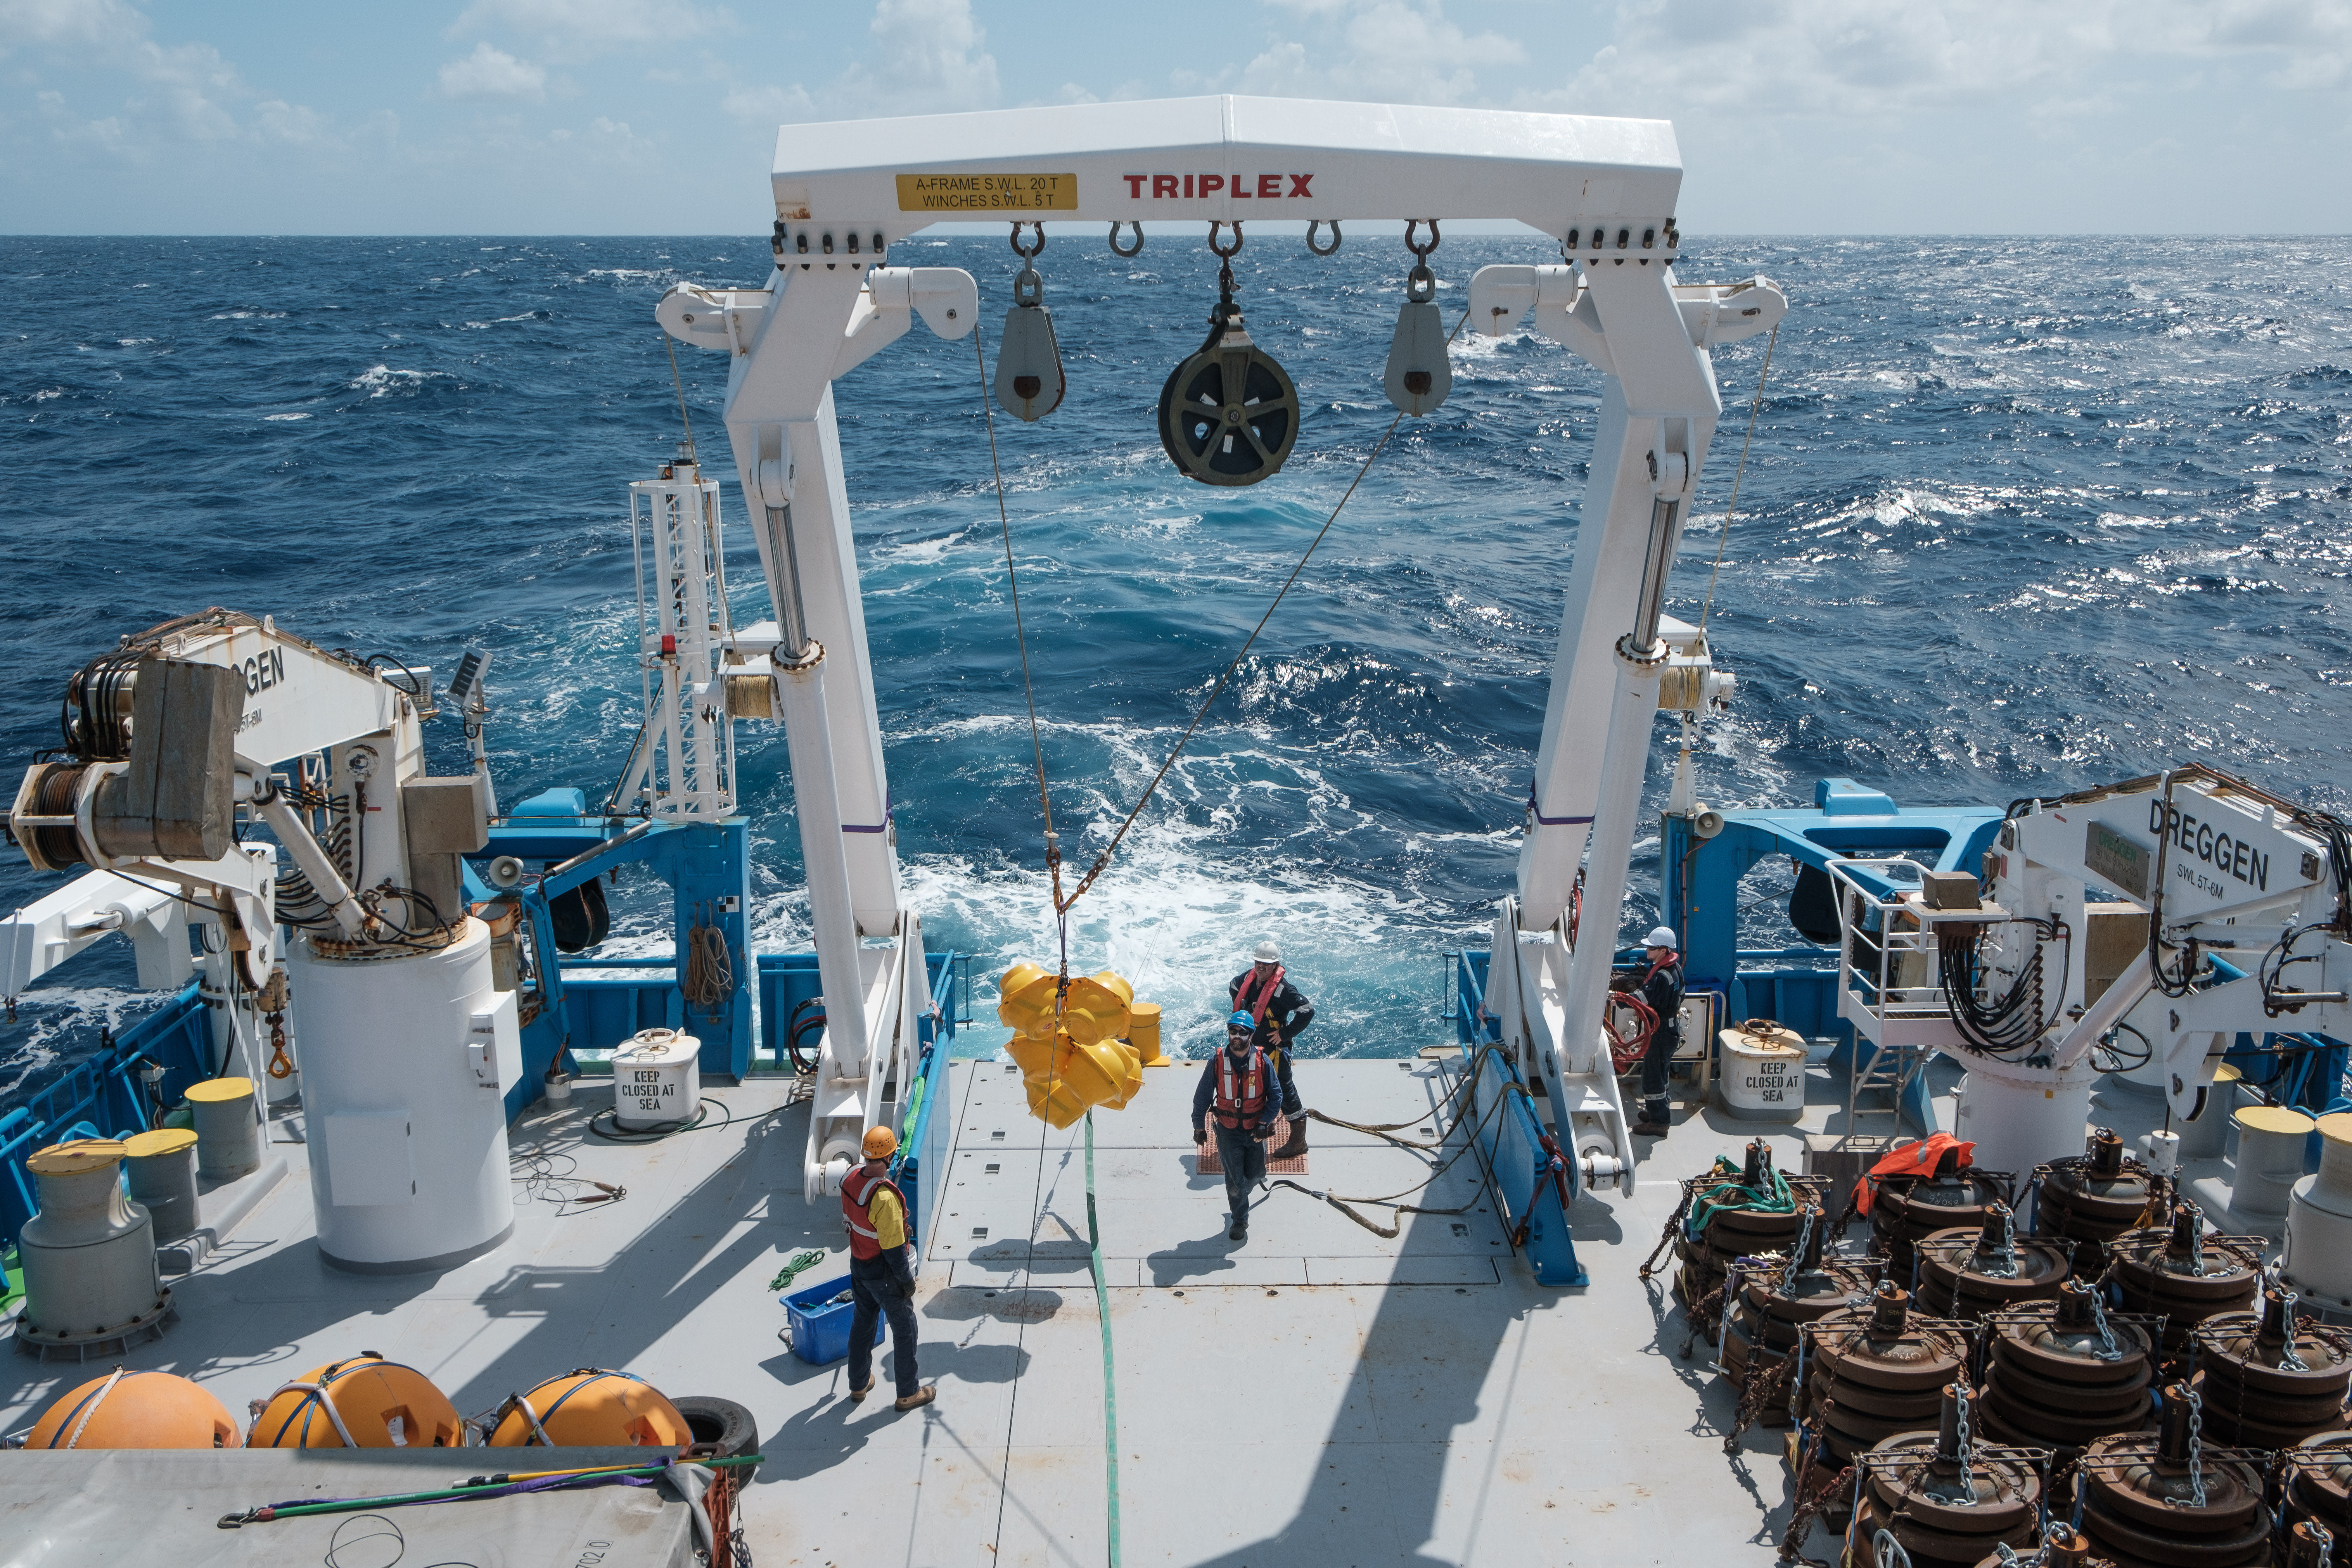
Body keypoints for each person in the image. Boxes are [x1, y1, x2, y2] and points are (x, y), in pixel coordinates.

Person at [841, 1125, 935, 1412]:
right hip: (883, 1273)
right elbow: (894, 1249)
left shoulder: (849, 1177)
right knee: (905, 1328)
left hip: (859, 1264)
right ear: (888, 1158)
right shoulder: (884, 1199)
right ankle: (908, 1392)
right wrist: (907, 1282)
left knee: (863, 1322)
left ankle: (858, 1383)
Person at [1191, 1011, 1284, 1243]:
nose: (1237, 1037)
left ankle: (1243, 1192)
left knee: (1257, 1174)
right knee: (1234, 1183)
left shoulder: (1263, 1063)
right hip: (1228, 1131)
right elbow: (1202, 1097)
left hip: (1255, 1131)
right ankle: (1240, 1219)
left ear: (1251, 1035)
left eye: (1243, 1033)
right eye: (1233, 1032)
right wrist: (1198, 1127)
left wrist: (1265, 1124)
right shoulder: (1217, 1062)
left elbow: (1276, 1096)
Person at [1229, 940, 1314, 1157]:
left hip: (1275, 1053)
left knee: (1285, 1091)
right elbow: (1233, 987)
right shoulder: (1245, 982)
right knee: (1254, 1089)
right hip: (1251, 1050)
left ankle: (1298, 1142)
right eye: (1258, 963)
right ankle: (1264, 1127)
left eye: (1266, 965)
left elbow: (1306, 1010)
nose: (1261, 968)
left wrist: (1284, 1035)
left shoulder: (1283, 991)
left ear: (1276, 966)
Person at [1627, 925, 1686, 1138]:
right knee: (1661, 1075)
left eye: (1651, 949)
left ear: (1663, 951)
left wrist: (1619, 997)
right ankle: (1656, 1112)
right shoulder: (1675, 968)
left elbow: (1641, 999)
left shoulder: (1662, 976)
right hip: (1670, 1030)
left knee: (1653, 1078)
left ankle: (1660, 1123)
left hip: (1661, 1033)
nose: (1647, 952)